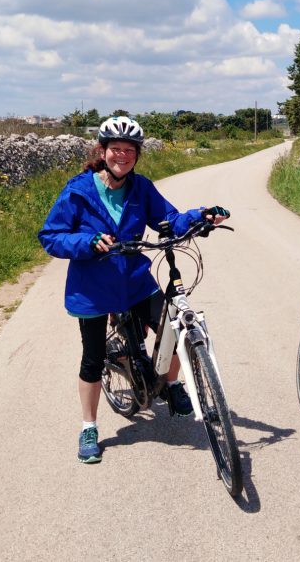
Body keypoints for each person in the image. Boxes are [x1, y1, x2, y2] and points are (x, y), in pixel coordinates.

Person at [38, 116, 230, 463]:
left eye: (130, 150)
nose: (122, 156)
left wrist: (201, 216)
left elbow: (167, 219)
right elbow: (51, 237)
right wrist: (87, 241)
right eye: (116, 149)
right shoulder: (78, 191)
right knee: (93, 359)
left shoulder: (141, 188)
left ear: (137, 155)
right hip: (93, 290)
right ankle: (89, 427)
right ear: (102, 151)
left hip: (136, 282)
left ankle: (171, 386)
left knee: (174, 326)